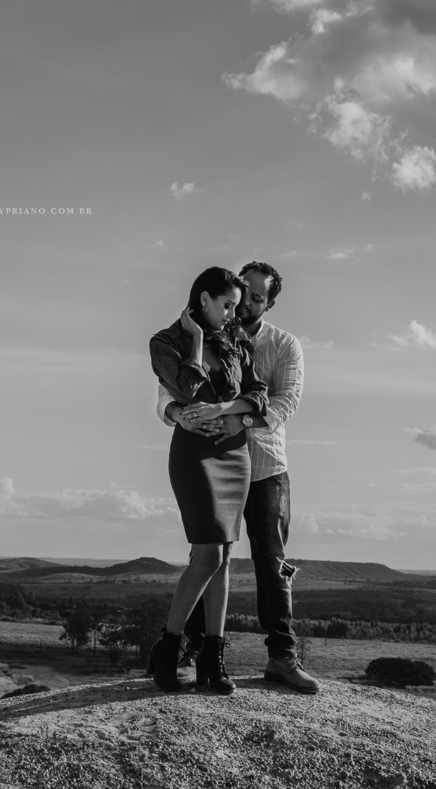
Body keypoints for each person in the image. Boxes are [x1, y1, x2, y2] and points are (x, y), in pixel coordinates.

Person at [156, 262, 318, 694]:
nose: (246, 305)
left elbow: (283, 401)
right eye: (241, 297)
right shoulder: (199, 335)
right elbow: (170, 393)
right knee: (207, 558)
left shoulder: (282, 344)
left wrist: (238, 422)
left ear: (270, 303)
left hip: (264, 465)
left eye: (257, 298)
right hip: (206, 454)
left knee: (269, 561)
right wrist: (177, 413)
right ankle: (183, 653)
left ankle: (278, 656)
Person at [148, 267, 267, 693]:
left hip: (234, 455)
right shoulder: (165, 342)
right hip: (194, 455)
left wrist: (224, 412)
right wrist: (196, 343)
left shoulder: (236, 341)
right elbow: (184, 389)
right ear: (203, 299)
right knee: (207, 557)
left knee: (225, 558)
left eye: (236, 306)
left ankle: (212, 661)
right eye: (228, 305)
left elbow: (258, 393)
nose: (233, 313)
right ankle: (168, 647)